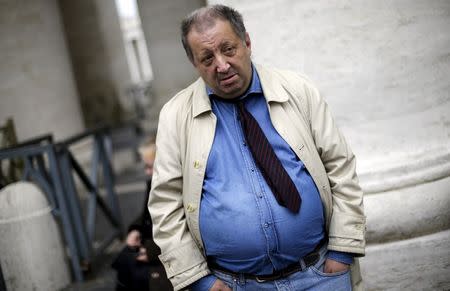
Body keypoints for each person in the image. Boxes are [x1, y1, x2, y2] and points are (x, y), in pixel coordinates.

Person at [149, 4, 365, 291]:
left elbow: (340, 167)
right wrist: (200, 281)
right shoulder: (175, 116)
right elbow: (166, 206)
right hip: (235, 285)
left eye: (228, 49)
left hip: (320, 273)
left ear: (247, 43)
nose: (221, 65)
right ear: (194, 64)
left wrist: (342, 252)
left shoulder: (298, 90)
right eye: (207, 58)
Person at [112, 139, 173, 291]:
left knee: (135, 270)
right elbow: (147, 214)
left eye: (150, 167)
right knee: (124, 259)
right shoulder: (153, 182)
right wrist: (136, 229)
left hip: (167, 254)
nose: (147, 172)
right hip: (152, 242)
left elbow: (183, 228)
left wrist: (151, 251)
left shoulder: (174, 186)